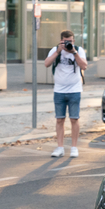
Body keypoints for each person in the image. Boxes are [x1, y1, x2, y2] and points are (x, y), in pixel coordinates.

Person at [44, 30, 87, 158]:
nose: (69, 43)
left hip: (74, 90)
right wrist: (58, 51)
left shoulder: (79, 50)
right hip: (59, 90)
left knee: (74, 119)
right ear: (61, 40)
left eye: (71, 41)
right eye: (66, 41)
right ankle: (60, 147)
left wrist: (73, 52)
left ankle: (74, 148)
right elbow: (46, 64)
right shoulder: (55, 50)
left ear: (74, 41)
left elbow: (84, 66)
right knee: (59, 119)